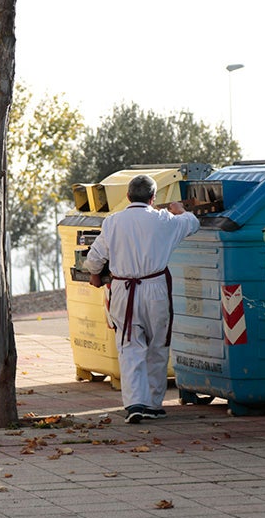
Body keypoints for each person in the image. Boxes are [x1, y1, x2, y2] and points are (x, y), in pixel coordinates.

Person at [84, 174, 200, 424]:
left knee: (130, 345)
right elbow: (192, 223)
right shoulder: (164, 220)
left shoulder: (113, 221)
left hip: (124, 291)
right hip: (155, 288)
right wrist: (180, 210)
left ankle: (135, 403)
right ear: (153, 198)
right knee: (157, 345)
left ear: (127, 196)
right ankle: (153, 404)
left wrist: (94, 273)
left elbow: (95, 257)